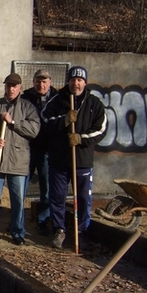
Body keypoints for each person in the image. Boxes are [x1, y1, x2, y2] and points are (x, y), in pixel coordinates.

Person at [41, 66, 107, 249]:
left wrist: (80, 138)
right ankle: (59, 230)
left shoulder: (94, 104)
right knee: (58, 197)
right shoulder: (56, 101)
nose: (76, 84)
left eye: (79, 80)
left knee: (84, 198)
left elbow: (101, 129)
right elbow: (44, 122)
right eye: (72, 80)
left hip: (82, 161)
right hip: (59, 160)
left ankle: (81, 232)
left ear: (85, 83)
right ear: (68, 82)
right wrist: (64, 121)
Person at [0, 73, 40, 245]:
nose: (11, 89)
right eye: (8, 86)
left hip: (18, 162)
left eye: (14, 86)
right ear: (5, 87)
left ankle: (18, 232)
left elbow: (34, 130)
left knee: (18, 200)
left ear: (20, 88)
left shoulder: (28, 108)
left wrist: (13, 123)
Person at [21, 69, 58, 235]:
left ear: (49, 82)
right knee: (21, 186)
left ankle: (43, 221)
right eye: (38, 81)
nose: (41, 85)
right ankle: (17, 220)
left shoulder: (57, 99)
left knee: (47, 187)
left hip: (47, 150)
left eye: (44, 81)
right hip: (28, 148)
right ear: (33, 82)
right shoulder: (26, 98)